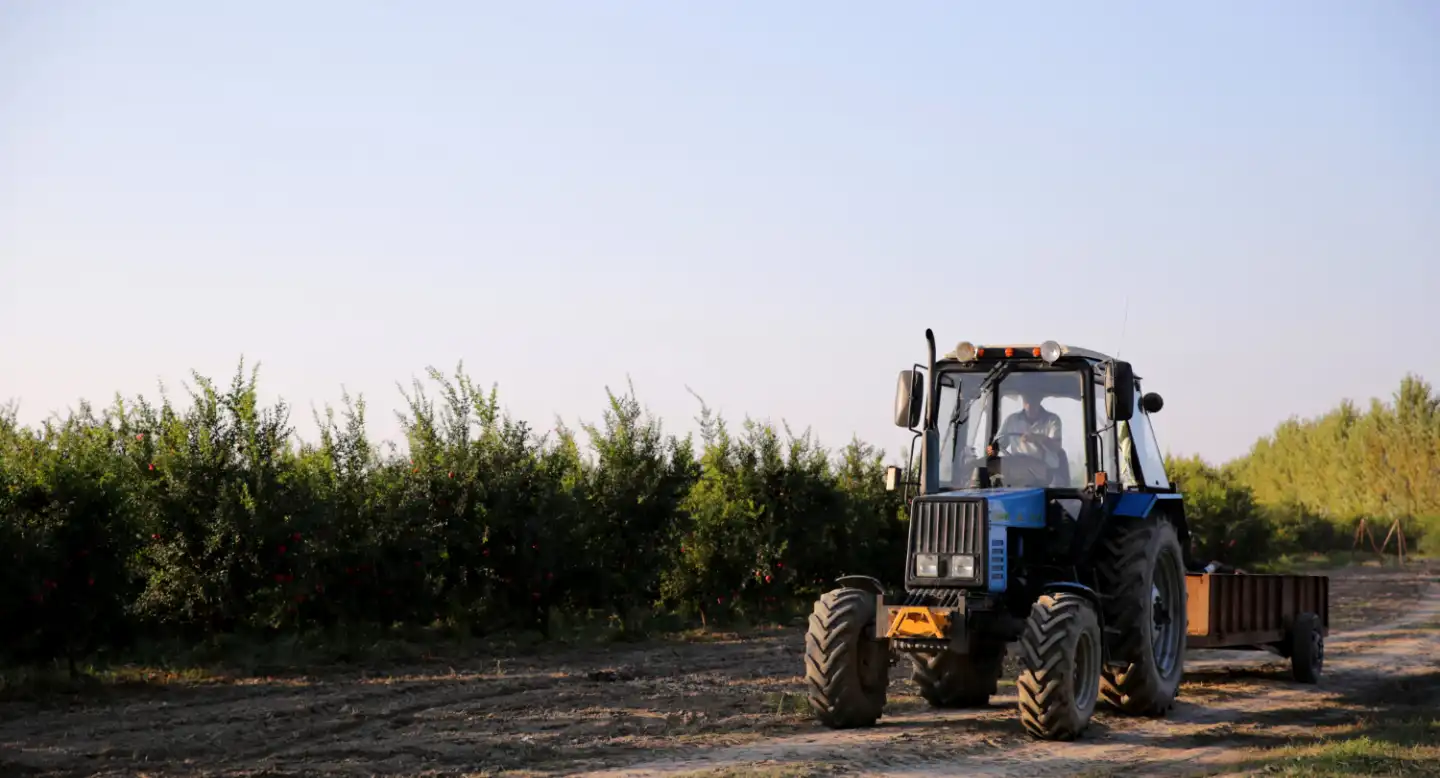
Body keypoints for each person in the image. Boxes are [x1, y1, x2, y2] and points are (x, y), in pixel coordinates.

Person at [987, 388, 1063, 485]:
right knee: (991, 470)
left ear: (1040, 399)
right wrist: (989, 452)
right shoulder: (1012, 420)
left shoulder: (1052, 420)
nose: (1029, 402)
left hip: (1044, 472)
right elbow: (996, 445)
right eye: (1027, 398)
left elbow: (1056, 446)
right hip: (1017, 467)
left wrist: (1039, 438)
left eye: (1033, 398)